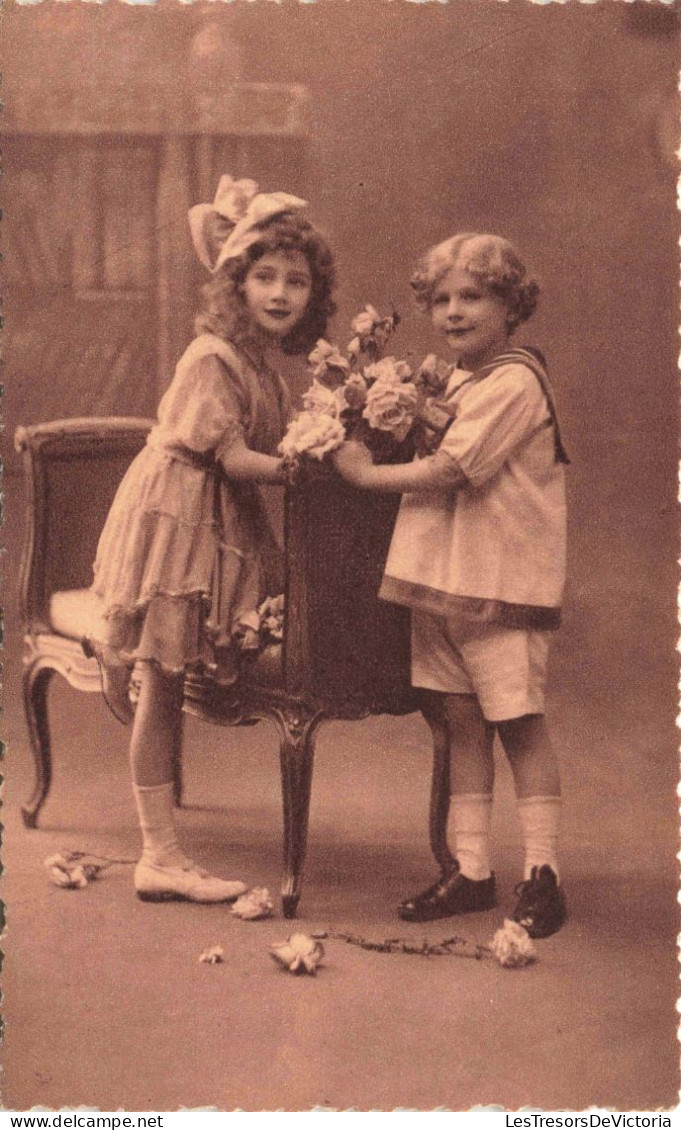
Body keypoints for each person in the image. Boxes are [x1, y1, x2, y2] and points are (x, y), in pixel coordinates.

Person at [90, 176, 336, 903]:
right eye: (264, 277)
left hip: (215, 516)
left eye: (296, 280)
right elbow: (233, 461)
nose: (280, 292)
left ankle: (158, 842)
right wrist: (309, 469)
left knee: (165, 679)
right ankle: (158, 855)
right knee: (162, 682)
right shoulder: (211, 356)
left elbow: (261, 450)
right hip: (176, 514)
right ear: (235, 285)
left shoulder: (263, 365)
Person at [332, 233, 569, 938]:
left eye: (472, 297)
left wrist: (366, 475)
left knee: (517, 724)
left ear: (509, 305)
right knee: (461, 722)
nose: (454, 312)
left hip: (497, 579)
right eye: (440, 300)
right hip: (439, 579)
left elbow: (453, 469)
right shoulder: (459, 381)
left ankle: (541, 873)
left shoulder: (514, 382)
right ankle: (470, 869)